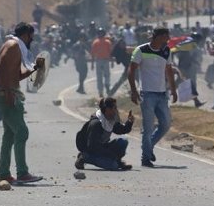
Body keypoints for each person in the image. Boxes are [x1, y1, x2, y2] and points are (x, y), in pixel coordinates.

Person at [0, 22, 44, 185]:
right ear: (26, 35)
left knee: (9, 135)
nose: (32, 39)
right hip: (7, 94)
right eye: (31, 36)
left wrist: (34, 68)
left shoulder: (14, 46)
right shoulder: (13, 45)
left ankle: (4, 174)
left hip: (7, 92)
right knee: (22, 132)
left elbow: (15, 76)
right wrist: (8, 91)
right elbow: (1, 67)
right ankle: (22, 173)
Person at [128, 27, 178, 168]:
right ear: (158, 36)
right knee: (148, 127)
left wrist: (173, 90)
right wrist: (133, 91)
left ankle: (148, 149)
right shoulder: (141, 50)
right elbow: (131, 71)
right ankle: (145, 157)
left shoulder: (166, 50)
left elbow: (168, 70)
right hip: (147, 94)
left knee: (166, 124)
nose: (168, 39)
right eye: (166, 37)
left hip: (162, 94)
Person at [75, 97, 134, 171]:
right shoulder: (96, 123)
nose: (116, 110)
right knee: (113, 165)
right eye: (114, 108)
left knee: (123, 141)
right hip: (91, 151)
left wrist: (129, 122)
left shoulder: (110, 119)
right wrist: (110, 154)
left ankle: (117, 161)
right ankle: (84, 157)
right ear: (107, 109)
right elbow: (93, 146)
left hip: (102, 147)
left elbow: (120, 129)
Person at [91, 28, 113, 97]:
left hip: (100, 61)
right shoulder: (107, 42)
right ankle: (105, 87)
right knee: (106, 75)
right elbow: (110, 53)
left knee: (100, 77)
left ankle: (102, 90)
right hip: (104, 60)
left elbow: (93, 54)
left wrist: (92, 64)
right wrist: (112, 62)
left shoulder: (96, 42)